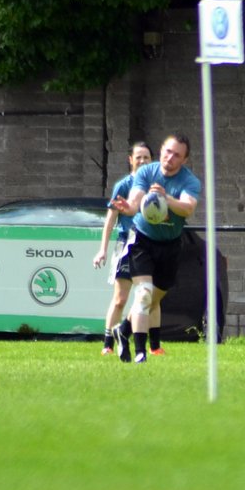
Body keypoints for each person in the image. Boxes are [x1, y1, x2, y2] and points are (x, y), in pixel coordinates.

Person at [109, 133, 201, 363]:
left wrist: (166, 198)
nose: (170, 158)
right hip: (142, 240)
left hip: (170, 246)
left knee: (152, 300)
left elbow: (188, 208)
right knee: (144, 293)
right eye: (168, 152)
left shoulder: (189, 181)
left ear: (185, 160)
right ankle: (140, 352)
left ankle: (124, 330)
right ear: (161, 150)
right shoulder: (146, 172)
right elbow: (135, 201)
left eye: (177, 155)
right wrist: (128, 207)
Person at [93, 140, 153, 355]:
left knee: (146, 297)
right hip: (127, 244)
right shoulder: (123, 186)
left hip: (148, 245)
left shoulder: (156, 187)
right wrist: (102, 250)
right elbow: (110, 220)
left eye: (146, 157)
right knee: (120, 299)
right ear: (130, 160)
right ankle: (108, 343)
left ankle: (139, 340)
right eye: (139, 157)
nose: (142, 161)